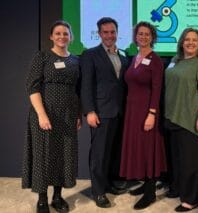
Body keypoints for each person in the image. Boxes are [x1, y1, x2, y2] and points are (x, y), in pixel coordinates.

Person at [22, 20, 81, 213]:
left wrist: (78, 115)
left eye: (65, 33)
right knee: (43, 155)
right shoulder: (43, 57)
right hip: (45, 114)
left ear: (71, 37)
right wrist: (41, 114)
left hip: (68, 115)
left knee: (64, 154)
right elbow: (32, 87)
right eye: (58, 33)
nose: (62, 37)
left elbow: (77, 90)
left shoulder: (75, 60)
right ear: (51, 37)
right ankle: (42, 199)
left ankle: (57, 196)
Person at [164, 28, 198, 212]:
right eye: (187, 39)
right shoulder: (175, 60)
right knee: (180, 160)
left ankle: (192, 199)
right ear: (181, 42)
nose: (191, 42)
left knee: (191, 162)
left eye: (195, 40)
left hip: (191, 118)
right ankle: (182, 190)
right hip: (173, 117)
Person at [80, 17, 129, 208]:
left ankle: (108, 184)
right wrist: (90, 111)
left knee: (113, 152)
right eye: (105, 32)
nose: (109, 35)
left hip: (119, 112)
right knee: (99, 154)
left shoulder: (123, 56)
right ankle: (98, 191)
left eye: (112, 32)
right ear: (99, 34)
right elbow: (86, 86)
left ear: (117, 33)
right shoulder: (90, 55)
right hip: (100, 112)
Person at [119, 21, 166, 210]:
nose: (143, 37)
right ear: (135, 37)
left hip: (147, 111)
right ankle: (145, 184)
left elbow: (157, 89)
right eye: (140, 34)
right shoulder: (135, 57)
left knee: (149, 150)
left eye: (147, 34)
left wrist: (152, 113)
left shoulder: (155, 60)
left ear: (152, 37)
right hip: (132, 112)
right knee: (139, 148)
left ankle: (150, 193)